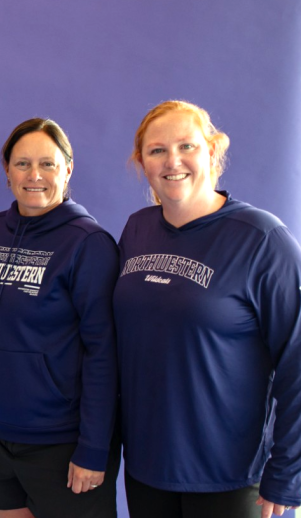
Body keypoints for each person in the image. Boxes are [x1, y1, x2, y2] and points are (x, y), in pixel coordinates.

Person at [114, 100, 301, 518]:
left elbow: (297, 362)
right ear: (142, 162)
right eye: (157, 150)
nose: (172, 160)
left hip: (229, 475)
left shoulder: (262, 240)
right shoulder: (137, 229)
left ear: (212, 152)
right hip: (146, 467)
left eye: (187, 146)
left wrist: (289, 471)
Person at [0, 118, 120, 518]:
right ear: (6, 171)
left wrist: (93, 447)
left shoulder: (88, 244)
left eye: (48, 164)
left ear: (68, 169)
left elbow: (103, 353)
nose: (34, 175)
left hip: (62, 440)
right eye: (22, 164)